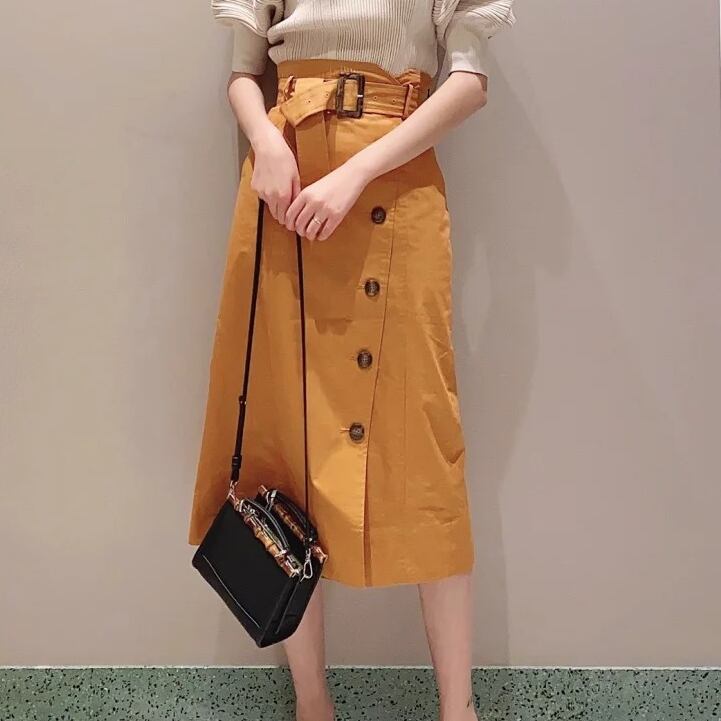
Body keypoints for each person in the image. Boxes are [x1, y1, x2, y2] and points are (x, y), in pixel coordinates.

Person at [188, 2, 515, 720]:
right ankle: (312, 703)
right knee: (282, 447)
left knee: (422, 444)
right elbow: (243, 73)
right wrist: (265, 143)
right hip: (283, 189)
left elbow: (469, 82)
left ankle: (458, 709)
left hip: (394, 179)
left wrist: (358, 171)